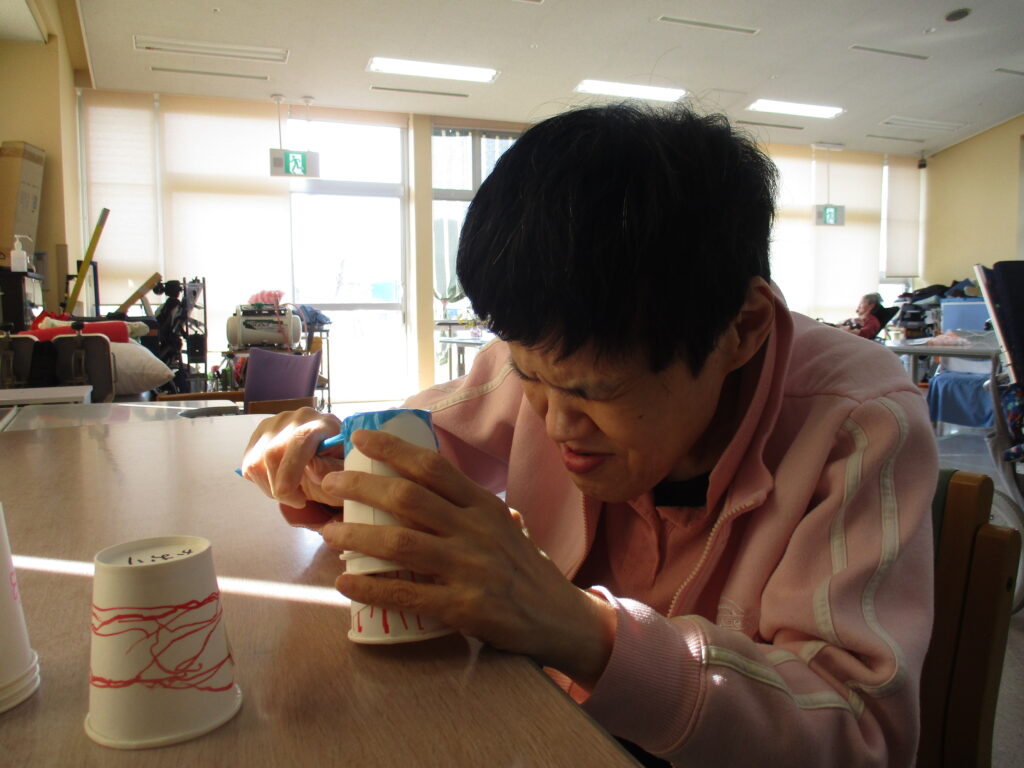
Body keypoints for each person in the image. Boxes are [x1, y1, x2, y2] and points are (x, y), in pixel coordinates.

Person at [242, 103, 937, 767]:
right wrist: (316, 458)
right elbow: (406, 455)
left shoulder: (857, 423)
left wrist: (584, 632)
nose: (553, 421)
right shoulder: (557, 346)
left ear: (741, 329)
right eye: (529, 375)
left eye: (596, 392)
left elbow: (858, 737)